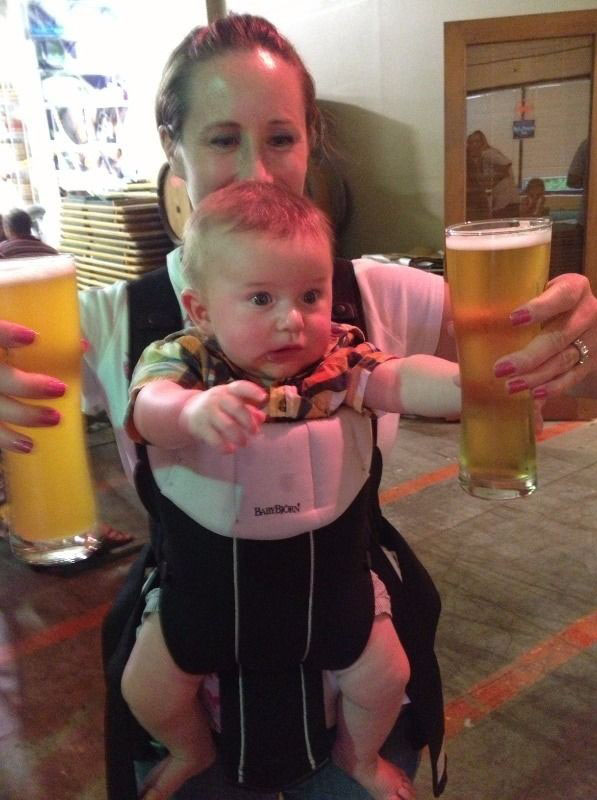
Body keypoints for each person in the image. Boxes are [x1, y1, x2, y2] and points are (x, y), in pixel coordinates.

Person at [0, 13, 597, 800]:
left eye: (280, 137)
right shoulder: (116, 319)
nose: (256, 170)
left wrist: (554, 342)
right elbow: (109, 397)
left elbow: (488, 368)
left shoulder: (366, 296)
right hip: (196, 652)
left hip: (350, 656)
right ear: (172, 144)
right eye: (222, 139)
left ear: (312, 140)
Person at [122, 181, 460, 800]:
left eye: (310, 295)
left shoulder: (338, 358)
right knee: (143, 687)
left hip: (331, 586)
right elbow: (148, 408)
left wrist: (469, 388)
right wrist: (191, 413)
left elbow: (400, 378)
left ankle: (358, 756)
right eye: (261, 298)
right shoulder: (186, 360)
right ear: (202, 310)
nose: (292, 319)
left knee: (387, 676)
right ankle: (191, 749)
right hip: (205, 591)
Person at [466, 130, 521, 219]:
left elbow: (506, 165)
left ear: (483, 142)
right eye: (471, 142)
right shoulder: (482, 157)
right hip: (505, 202)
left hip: (506, 201)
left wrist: (493, 180)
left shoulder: (487, 153)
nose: (474, 145)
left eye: (477, 141)